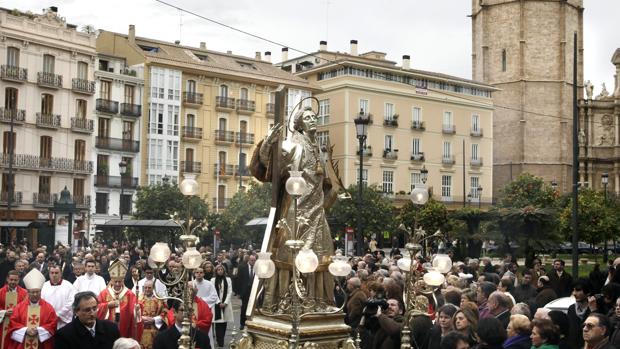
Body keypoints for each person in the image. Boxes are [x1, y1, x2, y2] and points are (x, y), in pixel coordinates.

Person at [249, 106, 340, 311]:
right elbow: (269, 163)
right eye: (307, 117)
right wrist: (267, 143)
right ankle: (286, 301)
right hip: (295, 209)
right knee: (290, 253)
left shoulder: (318, 150)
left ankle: (318, 301)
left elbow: (327, 183)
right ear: (299, 124)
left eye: (314, 117)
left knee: (321, 253)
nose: (312, 120)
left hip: (317, 210)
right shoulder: (293, 145)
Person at [5, 269, 57, 349]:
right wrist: (26, 330)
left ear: (40, 292)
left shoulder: (48, 308)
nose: (35, 294)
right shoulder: (19, 307)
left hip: (41, 344)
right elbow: (12, 324)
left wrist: (38, 330)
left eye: (37, 292)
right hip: (23, 343)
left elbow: (52, 324)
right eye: (32, 292)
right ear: (28, 292)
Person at [54, 291, 121, 349]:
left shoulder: (111, 329)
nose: (92, 313)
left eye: (94, 309)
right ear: (76, 312)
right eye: (87, 310)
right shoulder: (64, 335)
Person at [97, 260, 142, 339]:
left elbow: (136, 306)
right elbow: (96, 307)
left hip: (124, 329)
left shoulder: (129, 294)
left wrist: (137, 309)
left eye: (119, 281)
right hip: (107, 329)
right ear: (112, 281)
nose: (117, 284)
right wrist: (107, 305)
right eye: (115, 281)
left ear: (123, 281)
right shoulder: (104, 293)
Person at [0, 271, 27, 349]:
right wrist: (4, 312)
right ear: (7, 279)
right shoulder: (0, 292)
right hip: (3, 323)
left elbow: (26, 308)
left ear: (19, 280)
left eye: (15, 280)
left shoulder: (24, 293)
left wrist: (17, 312)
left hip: (18, 324)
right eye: (11, 279)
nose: (13, 282)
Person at [138, 280, 167, 349]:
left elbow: (165, 312)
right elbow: (133, 313)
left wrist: (154, 319)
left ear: (153, 288)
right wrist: (141, 318)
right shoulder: (138, 299)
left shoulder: (159, 299)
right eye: (145, 288)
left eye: (149, 288)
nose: (147, 289)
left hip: (154, 331)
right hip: (141, 330)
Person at [566, 278, 594, 349]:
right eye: (573, 290)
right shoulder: (571, 309)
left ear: (588, 292)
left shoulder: (594, 310)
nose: (574, 293)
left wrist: (593, 311)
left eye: (578, 290)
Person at [211, 264, 233, 348]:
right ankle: (220, 341)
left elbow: (230, 292)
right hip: (217, 304)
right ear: (216, 271)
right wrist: (218, 302)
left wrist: (225, 302)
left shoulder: (228, 279)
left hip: (226, 304)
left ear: (224, 271)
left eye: (221, 269)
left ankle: (221, 338)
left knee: (224, 323)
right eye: (218, 270)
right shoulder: (212, 280)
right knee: (218, 323)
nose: (220, 271)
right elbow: (213, 292)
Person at [237, 254, 255, 329]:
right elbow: (239, 280)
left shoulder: (257, 268)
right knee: (244, 307)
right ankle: (242, 323)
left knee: (253, 307)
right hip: (245, 291)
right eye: (252, 260)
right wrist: (238, 292)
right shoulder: (242, 267)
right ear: (248, 260)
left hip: (253, 290)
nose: (253, 262)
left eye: (254, 260)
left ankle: (252, 323)